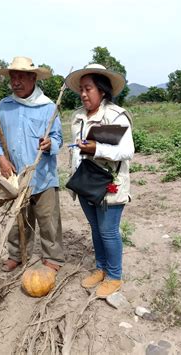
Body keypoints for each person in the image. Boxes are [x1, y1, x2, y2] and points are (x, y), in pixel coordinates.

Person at [65, 64, 134, 298]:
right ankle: (101, 268)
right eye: (81, 90)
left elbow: (127, 151)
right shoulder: (79, 118)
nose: (83, 94)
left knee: (108, 231)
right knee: (96, 228)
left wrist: (97, 148)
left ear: (102, 90)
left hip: (109, 184)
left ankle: (114, 276)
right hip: (86, 182)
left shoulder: (116, 115)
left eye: (88, 89)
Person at [0, 56, 64, 273]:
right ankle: (17, 254)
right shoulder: (4, 107)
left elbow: (58, 138)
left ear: (33, 78)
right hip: (16, 177)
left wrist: (51, 143)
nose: (16, 81)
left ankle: (53, 257)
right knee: (18, 220)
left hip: (43, 176)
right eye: (13, 77)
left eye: (21, 76)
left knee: (48, 219)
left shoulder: (48, 107)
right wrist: (1, 159)